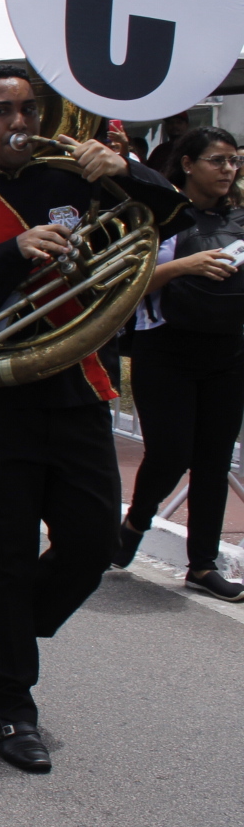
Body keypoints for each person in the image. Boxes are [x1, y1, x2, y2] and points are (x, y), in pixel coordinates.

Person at [0, 65, 187, 772]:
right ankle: (13, 702)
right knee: (0, 556)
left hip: (78, 390)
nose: (20, 121)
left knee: (92, 544)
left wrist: (128, 170)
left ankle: (13, 633)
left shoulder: (80, 178)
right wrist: (10, 254)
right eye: (2, 110)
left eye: (29, 108)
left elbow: (170, 216)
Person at [118, 126, 244, 600]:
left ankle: (203, 565)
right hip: (165, 350)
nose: (228, 170)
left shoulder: (240, 219)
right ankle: (134, 523)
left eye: (234, 160)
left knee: (213, 461)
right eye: (218, 160)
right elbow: (129, 282)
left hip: (226, 351)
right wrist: (186, 266)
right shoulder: (158, 216)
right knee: (170, 453)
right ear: (188, 164)